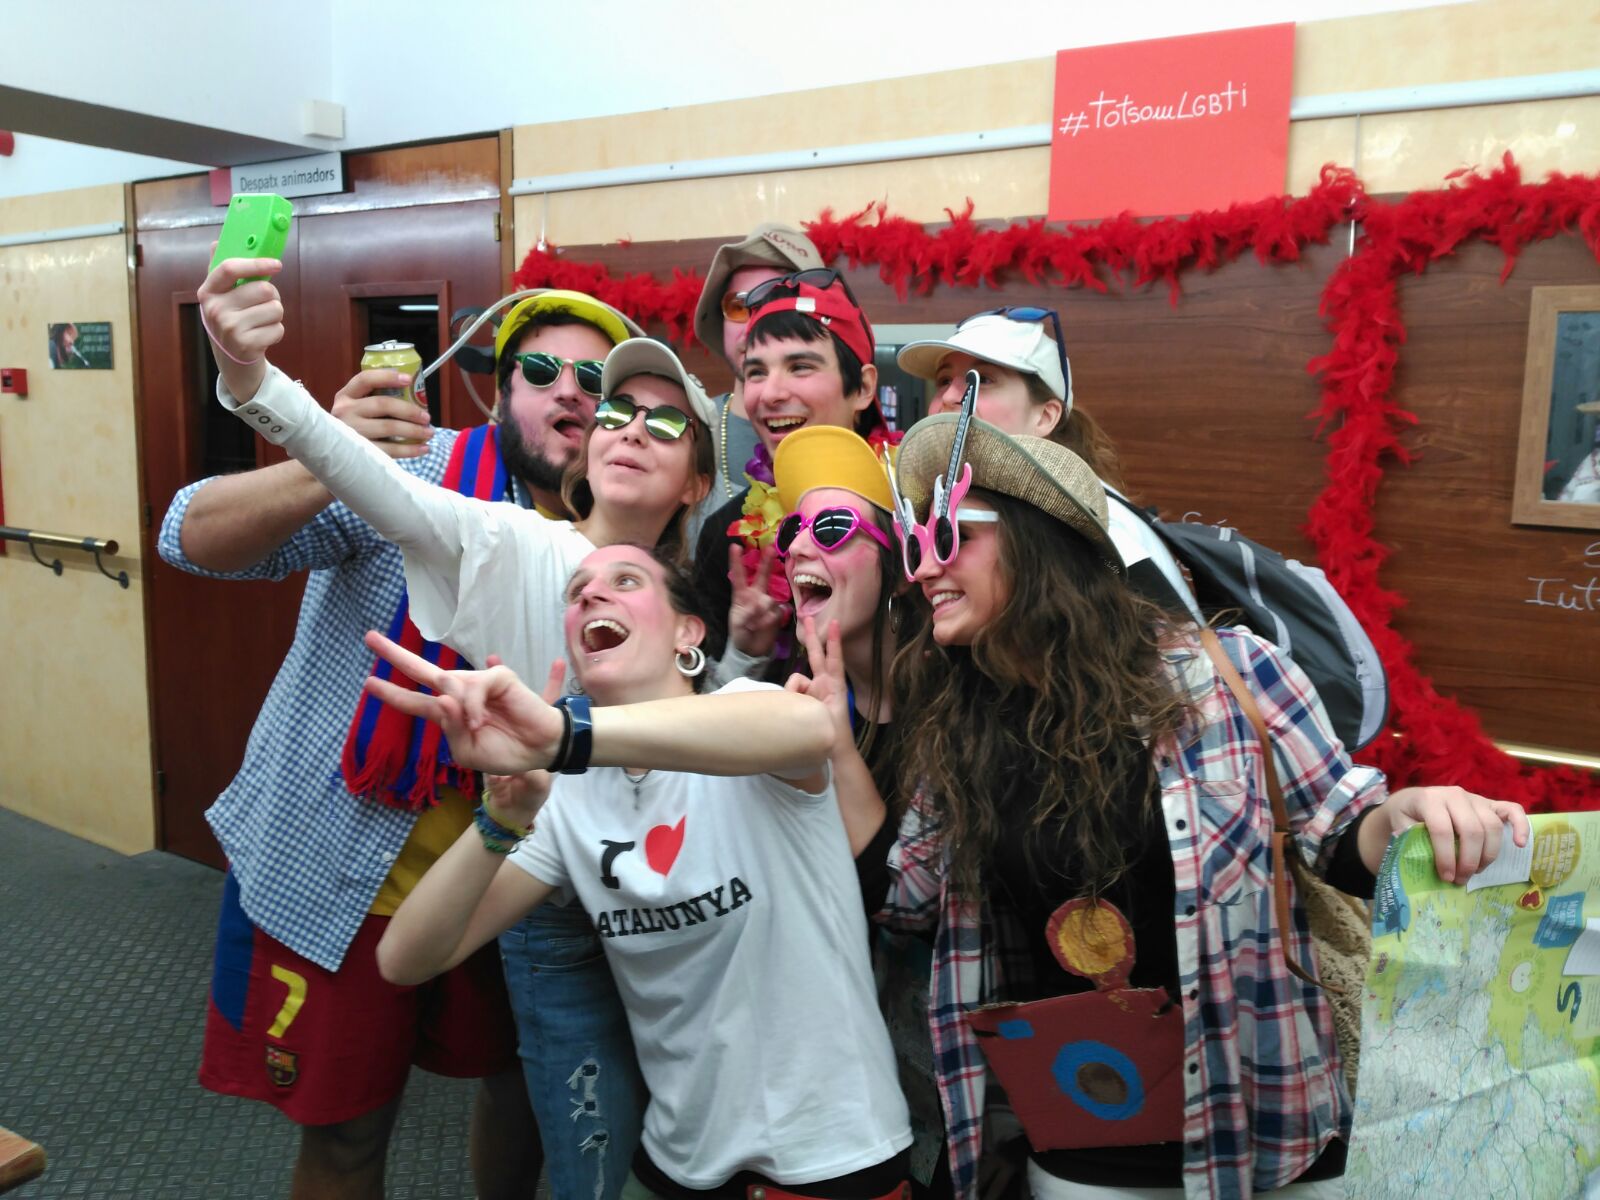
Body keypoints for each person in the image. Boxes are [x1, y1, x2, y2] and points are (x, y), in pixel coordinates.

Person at [878, 414, 1530, 1200]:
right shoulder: (957, 729)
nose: (924, 565)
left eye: (953, 534)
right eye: (916, 541)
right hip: (1083, 1140)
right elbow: (906, 902)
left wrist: (1408, 814)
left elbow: (1339, 834)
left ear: (1040, 543)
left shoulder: (1230, 676)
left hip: (1260, 1128)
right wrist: (832, 742)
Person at [166, 262, 646, 1198]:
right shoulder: (411, 468)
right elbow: (188, 535)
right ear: (500, 393)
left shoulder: (632, 542)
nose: (568, 393)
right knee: (347, 1135)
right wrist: (327, 457)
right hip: (340, 871)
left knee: (522, 1096)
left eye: (595, 380)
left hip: (520, 886)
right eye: (539, 371)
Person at [364, 541, 915, 1200]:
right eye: (577, 592)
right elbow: (406, 958)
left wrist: (565, 735)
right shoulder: (570, 797)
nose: (591, 595)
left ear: (689, 633)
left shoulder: (746, 707)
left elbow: (807, 728)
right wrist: (501, 820)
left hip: (830, 1154)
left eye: (626, 581)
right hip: (678, 1158)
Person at [896, 307, 1201, 620]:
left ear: (1045, 416)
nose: (949, 396)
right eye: (943, 380)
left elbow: (1174, 643)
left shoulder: (1093, 522)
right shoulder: (1004, 510)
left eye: (982, 379)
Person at [690, 268, 883, 668]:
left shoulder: (916, 508)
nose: (771, 394)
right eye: (756, 373)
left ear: (863, 388)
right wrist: (747, 652)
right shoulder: (726, 537)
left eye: (800, 367)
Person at [687, 223, 826, 542]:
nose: (754, 324)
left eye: (776, 302)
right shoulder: (684, 433)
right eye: (738, 306)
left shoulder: (855, 443)